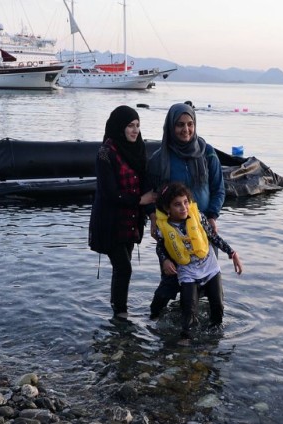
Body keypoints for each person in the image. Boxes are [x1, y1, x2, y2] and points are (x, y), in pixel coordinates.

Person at [146, 103, 226, 317]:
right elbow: (150, 193)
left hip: (201, 230)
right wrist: (152, 217)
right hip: (172, 232)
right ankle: (154, 319)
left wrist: (212, 216)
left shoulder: (208, 153)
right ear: (171, 127)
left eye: (190, 124)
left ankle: (196, 326)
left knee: (207, 285)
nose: (186, 129)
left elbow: (219, 188)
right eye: (180, 125)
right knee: (170, 281)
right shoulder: (158, 159)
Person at [89, 105, 156, 320]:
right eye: (130, 126)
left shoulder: (138, 149)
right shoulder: (105, 153)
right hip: (110, 222)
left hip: (131, 221)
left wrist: (151, 211)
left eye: (137, 125)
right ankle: (121, 315)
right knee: (124, 268)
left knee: (121, 268)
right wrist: (140, 200)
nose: (135, 130)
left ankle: (117, 308)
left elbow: (145, 182)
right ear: (119, 127)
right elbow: (109, 193)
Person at [153, 182, 242, 339]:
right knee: (189, 311)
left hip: (210, 267)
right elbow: (160, 247)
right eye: (177, 204)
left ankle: (215, 339)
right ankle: (185, 340)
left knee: (217, 306)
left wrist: (232, 253)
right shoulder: (163, 228)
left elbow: (213, 237)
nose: (184, 208)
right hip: (187, 271)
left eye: (186, 202)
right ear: (167, 208)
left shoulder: (198, 217)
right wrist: (165, 260)